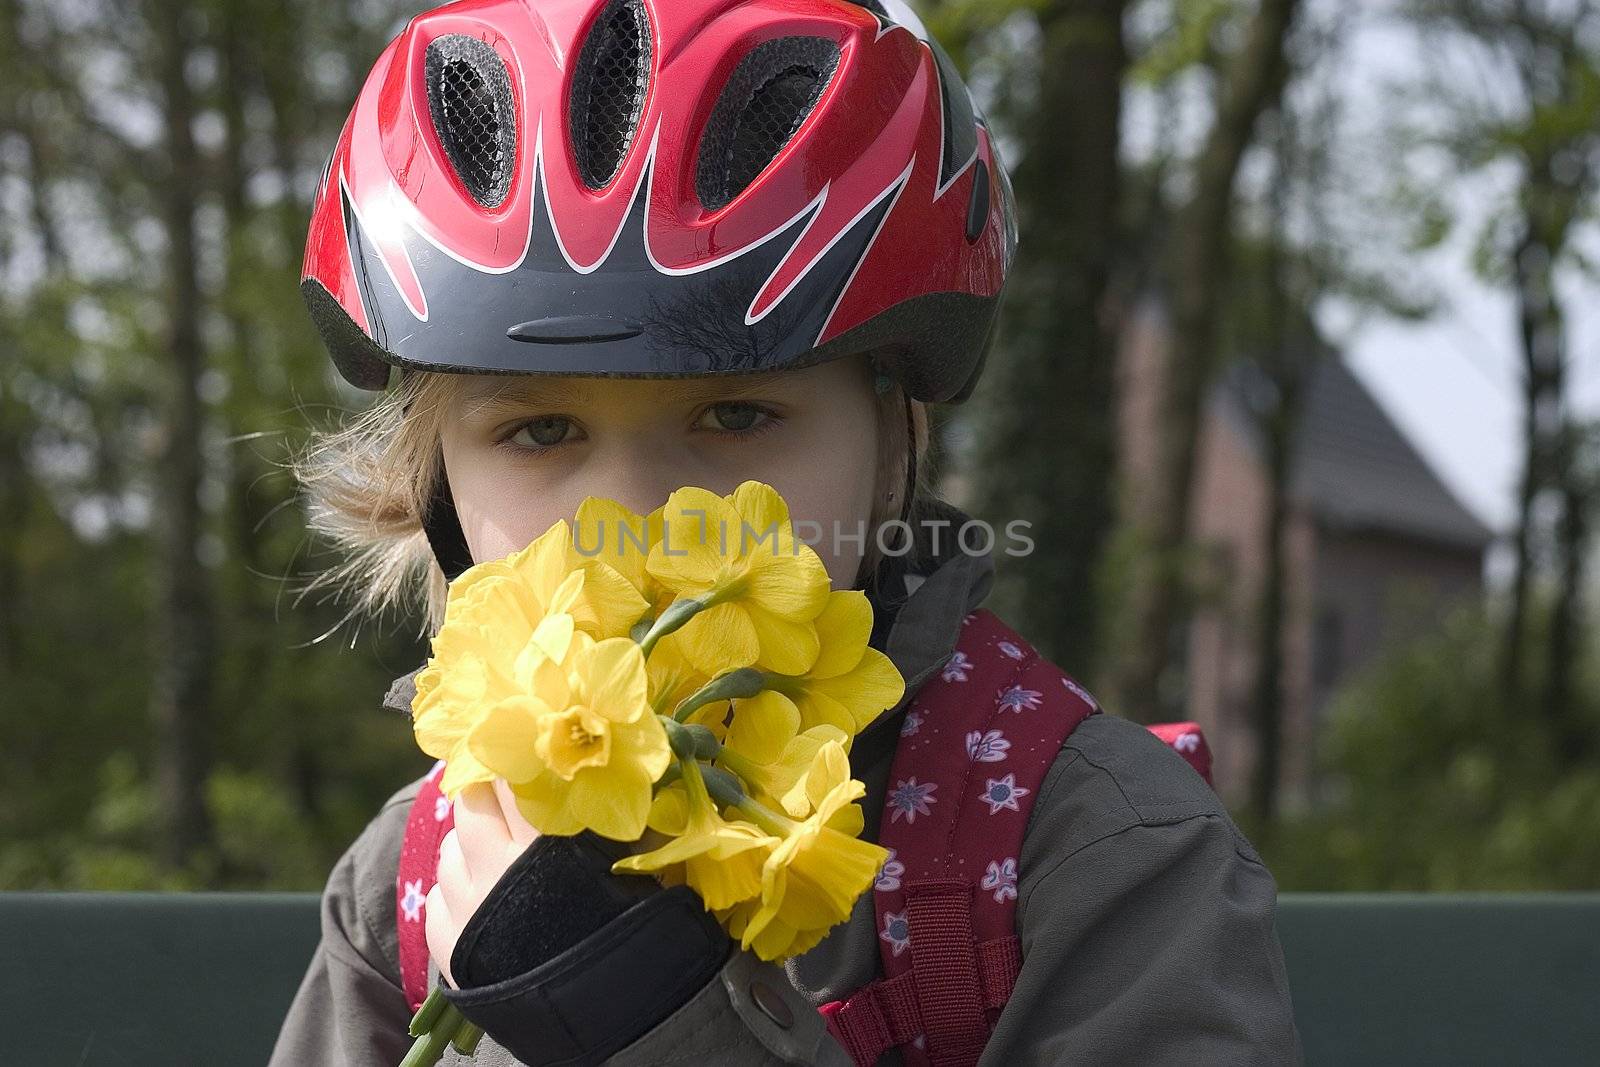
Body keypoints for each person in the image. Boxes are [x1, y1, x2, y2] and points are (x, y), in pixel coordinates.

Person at [270, 1, 1302, 1064]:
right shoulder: (408, 870)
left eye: (734, 415)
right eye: (540, 430)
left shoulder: (1088, 849)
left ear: (893, 441)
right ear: (432, 486)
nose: (635, 515)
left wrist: (647, 1024)